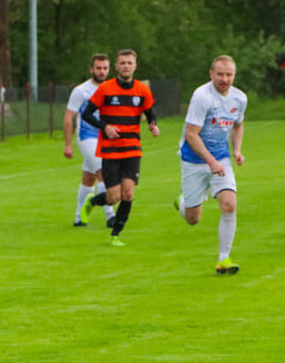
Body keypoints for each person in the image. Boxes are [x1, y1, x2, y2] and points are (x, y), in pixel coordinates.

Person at [174, 55, 247, 274]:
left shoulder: (239, 98)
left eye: (229, 75)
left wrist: (236, 151)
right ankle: (182, 203)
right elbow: (191, 134)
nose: (225, 79)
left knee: (229, 205)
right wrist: (211, 161)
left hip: (221, 159)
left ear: (234, 75)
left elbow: (237, 125)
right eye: (220, 74)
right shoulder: (202, 97)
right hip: (193, 161)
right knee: (193, 219)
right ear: (211, 74)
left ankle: (224, 260)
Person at [78, 49, 159, 246]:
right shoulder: (106, 89)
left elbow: (150, 113)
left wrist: (153, 125)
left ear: (135, 66)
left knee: (128, 194)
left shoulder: (142, 90)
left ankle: (115, 234)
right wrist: (105, 127)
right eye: (122, 63)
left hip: (132, 149)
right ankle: (92, 202)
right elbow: (87, 113)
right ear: (116, 66)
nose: (126, 66)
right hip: (110, 149)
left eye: (129, 63)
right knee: (113, 197)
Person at [63, 53, 115, 227]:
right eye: (98, 68)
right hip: (87, 137)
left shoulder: (111, 88)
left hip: (105, 138)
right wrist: (68, 144)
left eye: (105, 68)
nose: (101, 71)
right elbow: (69, 117)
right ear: (91, 69)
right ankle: (110, 216)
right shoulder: (81, 91)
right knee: (104, 173)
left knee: (88, 179)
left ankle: (78, 217)